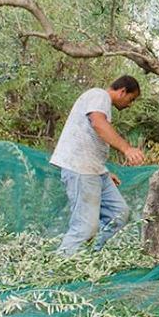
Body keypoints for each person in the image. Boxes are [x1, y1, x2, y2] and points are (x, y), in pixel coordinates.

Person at [50, 75, 145, 256]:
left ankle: (90, 256)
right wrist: (127, 148)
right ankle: (57, 270)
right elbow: (98, 123)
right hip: (79, 169)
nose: (130, 104)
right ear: (122, 91)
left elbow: (91, 140)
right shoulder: (99, 95)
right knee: (85, 227)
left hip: (94, 170)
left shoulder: (103, 103)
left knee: (118, 213)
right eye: (131, 99)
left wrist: (104, 171)